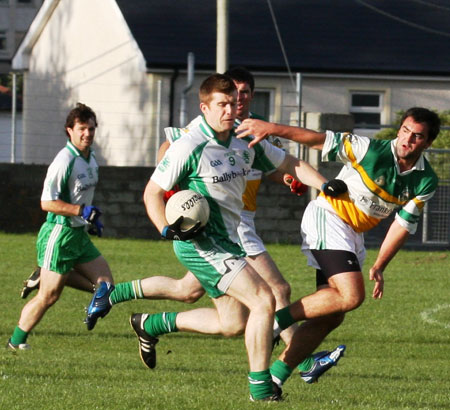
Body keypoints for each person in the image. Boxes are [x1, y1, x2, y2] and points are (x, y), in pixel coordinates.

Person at [82, 67, 345, 383]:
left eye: (239, 98)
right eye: (226, 101)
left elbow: (283, 163)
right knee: (270, 294)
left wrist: (320, 182)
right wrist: (167, 220)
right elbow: (160, 174)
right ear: (206, 106)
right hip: (207, 237)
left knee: (218, 313)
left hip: (232, 230)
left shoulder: (246, 134)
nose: (234, 105)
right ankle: (281, 373)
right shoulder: (194, 138)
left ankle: (141, 317)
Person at [235, 106, 440, 388]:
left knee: (332, 315)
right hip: (328, 217)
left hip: (351, 234)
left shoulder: (426, 180)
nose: (407, 140)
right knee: (352, 296)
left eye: (417, 136)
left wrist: (380, 265)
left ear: (428, 142)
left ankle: (275, 378)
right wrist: (271, 128)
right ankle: (274, 323)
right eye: (404, 131)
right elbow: (317, 139)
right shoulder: (369, 149)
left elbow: (401, 225)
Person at [6, 103, 115, 351]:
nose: (87, 134)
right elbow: (46, 202)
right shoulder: (64, 161)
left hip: (78, 234)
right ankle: (16, 341)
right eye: (82, 129)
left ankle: (45, 275)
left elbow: (82, 199)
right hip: (60, 233)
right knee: (49, 296)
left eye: (91, 129)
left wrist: (91, 220)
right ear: (70, 130)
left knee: (106, 287)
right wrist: (80, 212)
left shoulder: (91, 159)